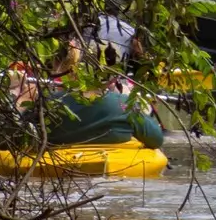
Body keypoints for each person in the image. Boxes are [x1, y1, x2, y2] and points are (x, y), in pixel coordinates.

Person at [10, 32, 164, 150]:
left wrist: (22, 103)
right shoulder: (126, 105)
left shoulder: (47, 103)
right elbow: (156, 140)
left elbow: (11, 139)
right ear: (114, 78)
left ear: (76, 69)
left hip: (61, 170)